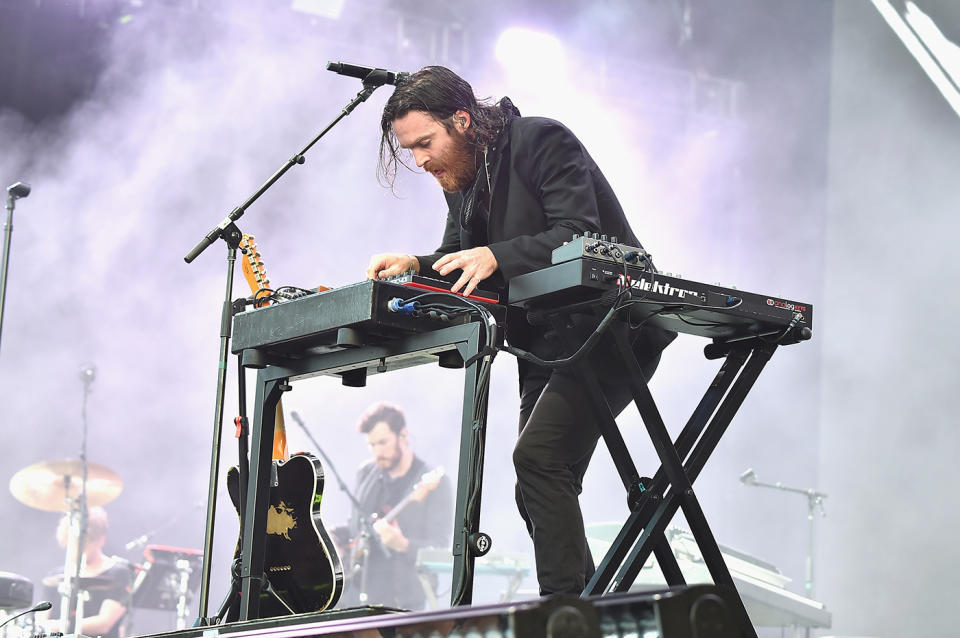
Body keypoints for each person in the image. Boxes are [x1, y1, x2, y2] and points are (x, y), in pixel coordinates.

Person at [366, 66, 676, 595]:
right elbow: (456, 258)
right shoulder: (461, 176)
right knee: (534, 486)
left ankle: (562, 619)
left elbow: (580, 232)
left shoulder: (541, 140)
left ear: (461, 120)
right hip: (545, 342)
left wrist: (494, 254)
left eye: (425, 143)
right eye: (410, 150)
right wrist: (415, 264)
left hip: (609, 329)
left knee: (539, 461)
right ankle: (594, 608)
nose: (419, 161)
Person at [332, 402, 453, 609]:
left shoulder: (434, 483)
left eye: (383, 442)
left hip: (399, 601)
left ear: (403, 436)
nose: (377, 452)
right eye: (371, 445)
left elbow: (441, 548)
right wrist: (333, 537)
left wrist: (404, 545)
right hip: (354, 596)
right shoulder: (366, 473)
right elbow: (356, 527)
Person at [38, 507, 134, 638]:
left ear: (101, 539)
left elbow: (104, 623)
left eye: (84, 543)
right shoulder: (55, 575)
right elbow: (40, 618)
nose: (77, 548)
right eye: (72, 543)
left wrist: (62, 626)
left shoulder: (118, 572)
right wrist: (43, 625)